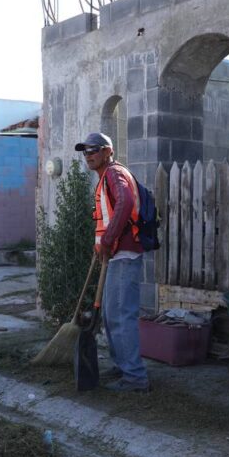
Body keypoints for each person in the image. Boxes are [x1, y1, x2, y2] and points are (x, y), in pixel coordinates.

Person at [76, 132, 150, 392]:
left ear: (108, 151)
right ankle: (122, 365)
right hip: (114, 255)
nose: (89, 155)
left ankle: (135, 378)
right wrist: (102, 245)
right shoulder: (105, 177)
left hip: (124, 254)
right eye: (85, 151)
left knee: (120, 316)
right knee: (110, 315)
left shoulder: (114, 174)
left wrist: (107, 240)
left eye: (93, 150)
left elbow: (126, 202)